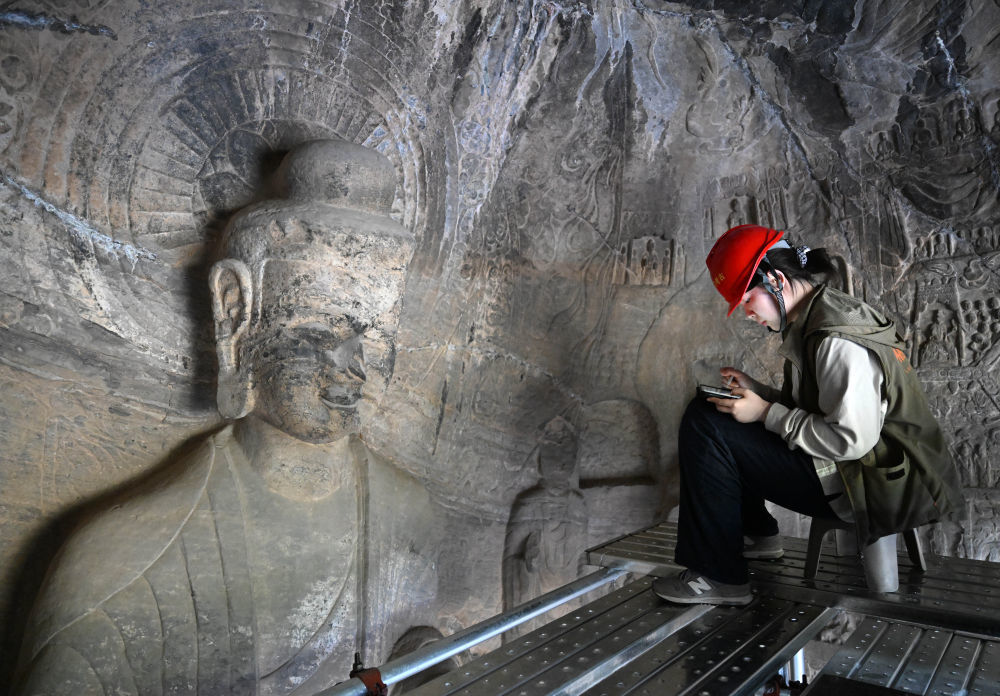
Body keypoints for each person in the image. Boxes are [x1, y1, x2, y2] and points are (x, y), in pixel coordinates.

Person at [14, 140, 443, 695]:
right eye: (320, 326)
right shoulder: (123, 561)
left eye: (378, 333)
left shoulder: (408, 514)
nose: (353, 366)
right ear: (236, 316)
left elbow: (416, 646)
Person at [652, 223, 964, 606]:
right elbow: (820, 409)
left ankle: (719, 576)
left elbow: (850, 440)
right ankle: (758, 535)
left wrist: (766, 412)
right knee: (714, 410)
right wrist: (759, 395)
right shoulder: (817, 315)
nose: (748, 313)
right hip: (861, 471)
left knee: (705, 425)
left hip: (867, 485)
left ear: (777, 280)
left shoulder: (835, 339)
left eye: (748, 299)